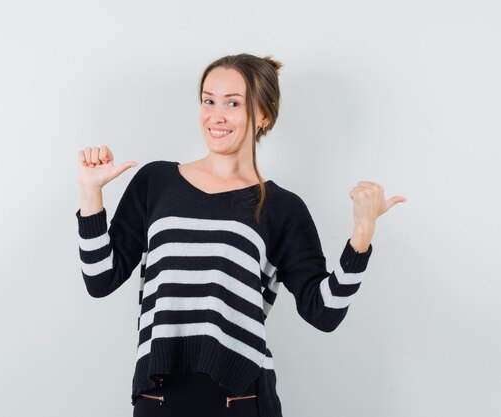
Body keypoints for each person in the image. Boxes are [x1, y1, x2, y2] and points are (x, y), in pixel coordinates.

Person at [75, 53, 406, 417]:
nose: (216, 115)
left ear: (264, 115)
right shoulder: (156, 183)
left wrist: (361, 233)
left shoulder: (281, 207)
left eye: (233, 103)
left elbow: (323, 312)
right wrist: (91, 194)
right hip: (158, 400)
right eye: (208, 100)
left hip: (242, 402)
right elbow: (100, 278)